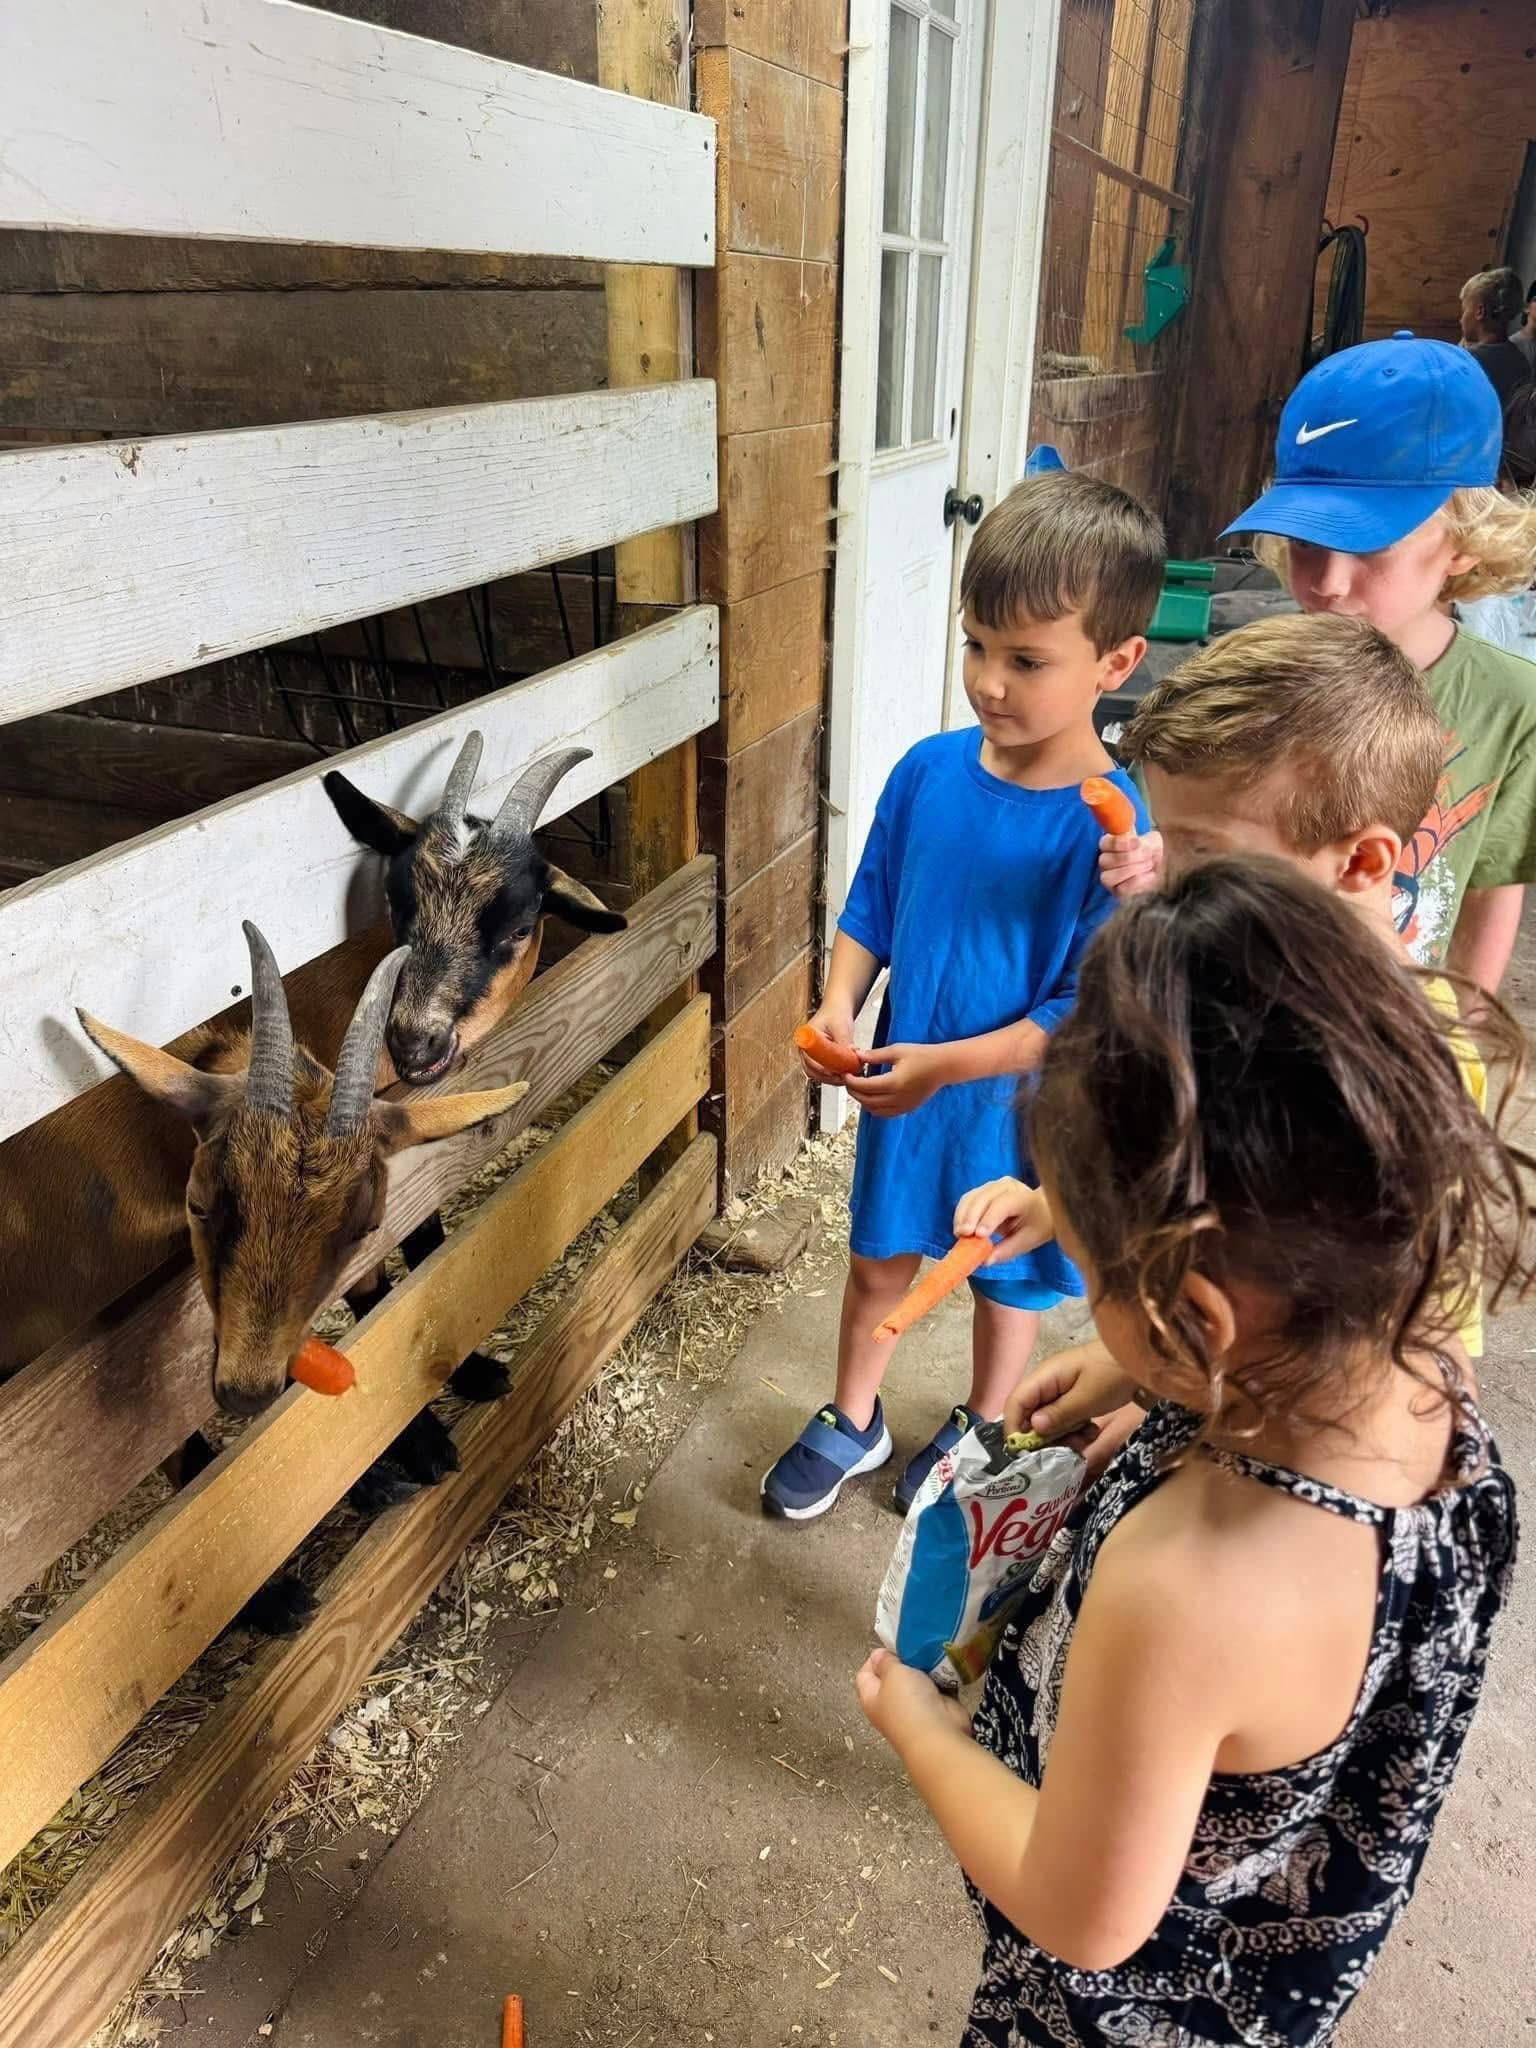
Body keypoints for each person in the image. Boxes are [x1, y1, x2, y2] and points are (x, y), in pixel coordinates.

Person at [857, 854, 1524, 2047]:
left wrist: (919, 1724)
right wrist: (1134, 1375)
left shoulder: (1184, 1589)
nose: (1092, 1302)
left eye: (1103, 1283)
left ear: (1199, 1320)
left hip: (1129, 2008)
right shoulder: (1412, 1355)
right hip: (1282, 1939)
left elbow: (1084, 1911)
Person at [958, 610, 1487, 1466]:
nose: (1163, 881)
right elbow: (1208, 1172)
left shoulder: (1407, 1064)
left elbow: (1407, 1346)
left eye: (1200, 854)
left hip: (1293, 1446)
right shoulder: (1238, 976)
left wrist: (1173, 1396)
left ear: (1360, 862)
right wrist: (1064, 1211)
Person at [761, 471, 1161, 1520]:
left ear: (1115, 662)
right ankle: (855, 1416)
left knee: (1002, 1280)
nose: (989, 679)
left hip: (1022, 1106)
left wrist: (946, 1062)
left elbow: (1082, 1007)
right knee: (878, 1258)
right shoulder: (928, 770)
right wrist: (843, 1004)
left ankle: (983, 1422)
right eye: (976, 643)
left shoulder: (1114, 831)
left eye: (1026, 659)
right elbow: (873, 903)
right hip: (909, 1082)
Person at [1105, 332, 1536, 991]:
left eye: (1373, 543)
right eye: (1307, 541)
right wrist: (1162, 858)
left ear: (1466, 539)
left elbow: (1494, 883)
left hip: (1381, 1026)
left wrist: (1464, 1032)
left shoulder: (1512, 704)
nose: (1328, 582)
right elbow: (1176, 829)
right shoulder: (1249, 673)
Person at [1460, 266, 1529, 405]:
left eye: (1464, 310)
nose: (1461, 319)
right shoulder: (1521, 361)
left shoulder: (1465, 362)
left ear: (1480, 311)